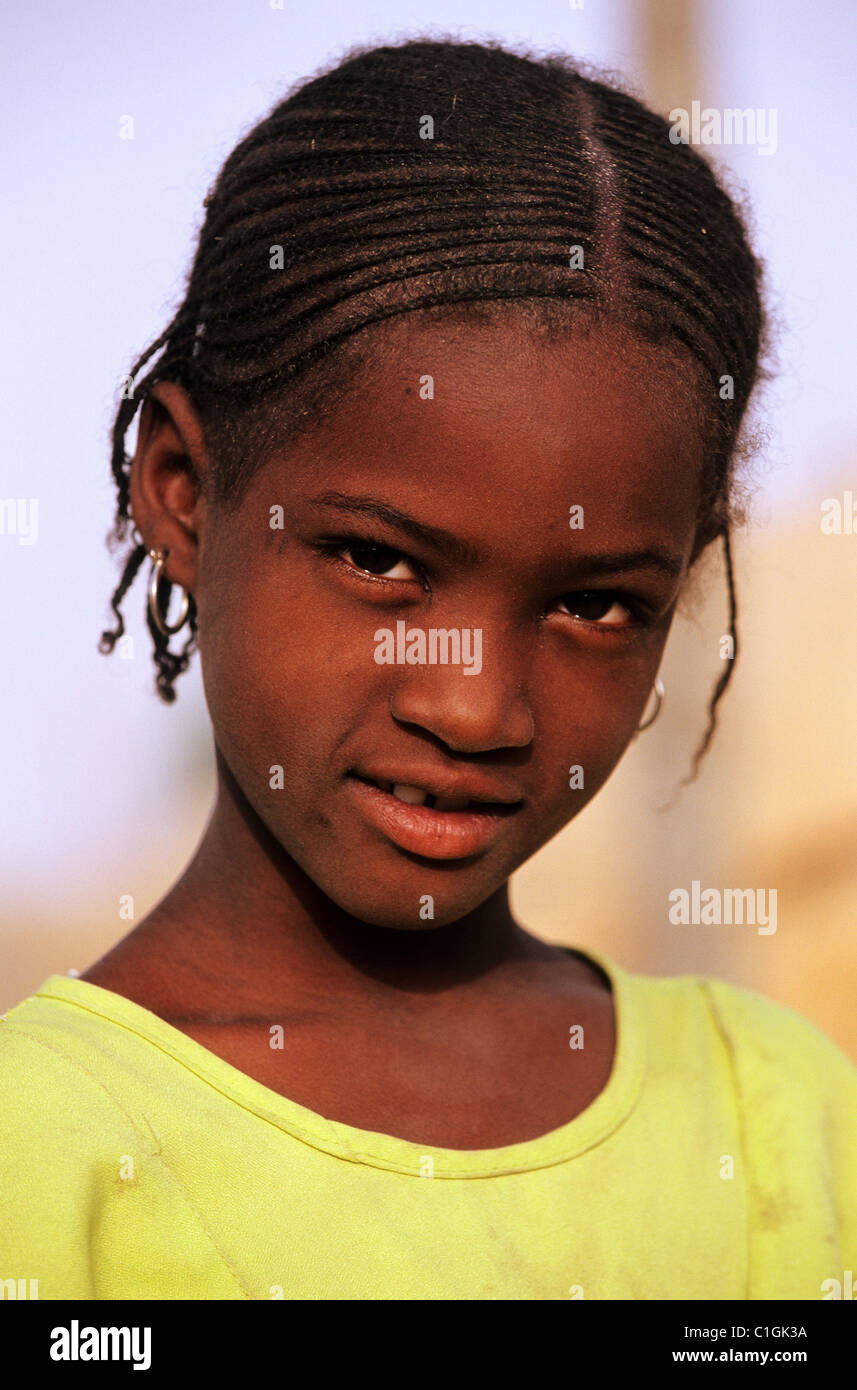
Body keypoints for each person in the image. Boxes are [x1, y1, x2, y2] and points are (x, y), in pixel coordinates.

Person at [2, 38, 854, 1301]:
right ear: (182, 492)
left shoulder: (787, 1116)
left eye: (595, 603)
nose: (475, 706)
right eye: (378, 563)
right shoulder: (44, 1152)